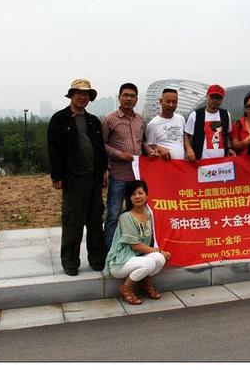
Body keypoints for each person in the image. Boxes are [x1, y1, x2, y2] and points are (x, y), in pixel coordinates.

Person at [47, 78, 108, 276]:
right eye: (79, 93)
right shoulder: (59, 119)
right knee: (72, 221)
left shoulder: (93, 121)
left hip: (94, 178)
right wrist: (57, 176)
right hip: (73, 178)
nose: (83, 97)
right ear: (71, 95)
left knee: (95, 220)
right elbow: (54, 150)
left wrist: (103, 171)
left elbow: (99, 149)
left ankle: (97, 259)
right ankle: (70, 262)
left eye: (86, 94)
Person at [102, 83, 156, 249]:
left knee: (136, 213)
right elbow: (101, 144)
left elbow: (142, 142)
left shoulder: (139, 119)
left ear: (136, 99)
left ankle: (137, 248)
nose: (128, 99)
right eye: (125, 95)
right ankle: (111, 251)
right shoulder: (110, 119)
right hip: (118, 175)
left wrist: (150, 151)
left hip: (136, 176)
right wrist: (119, 154)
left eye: (132, 96)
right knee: (114, 214)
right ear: (119, 98)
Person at [105, 180, 172, 305]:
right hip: (121, 262)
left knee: (159, 259)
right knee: (150, 262)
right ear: (129, 198)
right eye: (133, 194)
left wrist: (160, 252)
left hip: (136, 258)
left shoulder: (148, 213)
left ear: (147, 195)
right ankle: (126, 288)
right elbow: (135, 245)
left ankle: (144, 283)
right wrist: (159, 250)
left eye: (140, 193)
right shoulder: (125, 217)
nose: (137, 197)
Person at [184, 84, 235, 160]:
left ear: (222, 100)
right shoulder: (195, 115)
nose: (215, 100)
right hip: (201, 161)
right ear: (207, 96)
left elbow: (227, 134)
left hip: (222, 161)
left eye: (218, 98)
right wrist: (189, 149)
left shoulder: (226, 114)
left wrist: (229, 148)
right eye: (212, 97)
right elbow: (186, 135)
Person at [145, 88, 186, 160]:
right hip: (163, 164)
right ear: (161, 101)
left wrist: (189, 149)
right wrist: (159, 148)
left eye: (174, 102)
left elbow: (184, 138)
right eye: (168, 101)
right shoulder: (153, 124)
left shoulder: (181, 119)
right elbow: (149, 146)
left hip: (181, 164)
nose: (171, 105)